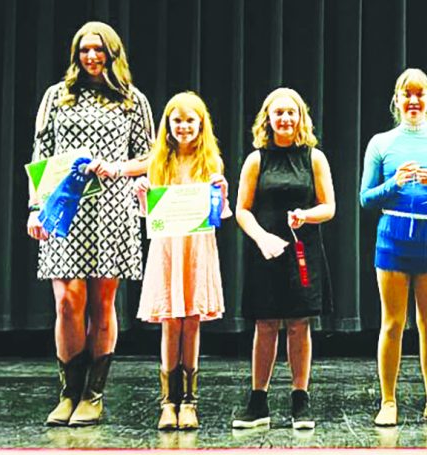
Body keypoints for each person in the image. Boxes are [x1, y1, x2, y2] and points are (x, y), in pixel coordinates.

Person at [27, 21, 154, 427]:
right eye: (84, 50)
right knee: (67, 302)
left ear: (112, 54)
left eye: (99, 50)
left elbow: (150, 156)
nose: (91, 56)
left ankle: (93, 394)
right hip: (64, 208)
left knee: (102, 303)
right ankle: (68, 391)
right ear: (76, 54)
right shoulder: (56, 96)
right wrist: (35, 207)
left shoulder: (132, 100)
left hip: (112, 208)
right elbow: (41, 151)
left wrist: (117, 168)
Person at [360, 68, 427, 426]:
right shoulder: (381, 143)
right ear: (397, 99)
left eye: (421, 94)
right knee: (392, 324)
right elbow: (365, 198)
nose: (414, 100)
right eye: (408, 94)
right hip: (391, 240)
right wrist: (393, 183)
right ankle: (388, 401)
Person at [231, 87, 335, 430]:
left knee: (299, 324)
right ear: (269, 119)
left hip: (302, 253)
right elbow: (241, 210)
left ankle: (299, 400)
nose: (285, 118)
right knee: (265, 325)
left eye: (291, 112)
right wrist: (261, 238)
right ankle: (258, 401)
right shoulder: (256, 159)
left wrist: (306, 216)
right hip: (267, 252)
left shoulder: (314, 157)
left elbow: (329, 207)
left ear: (300, 117)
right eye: (279, 113)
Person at [134, 92, 231, 431]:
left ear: (201, 124)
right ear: (168, 125)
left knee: (191, 320)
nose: (184, 126)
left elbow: (219, 215)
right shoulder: (159, 162)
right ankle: (167, 402)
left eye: (190, 120)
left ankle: (189, 401)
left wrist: (222, 191)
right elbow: (152, 217)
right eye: (177, 120)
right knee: (170, 323)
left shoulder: (211, 163)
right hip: (167, 249)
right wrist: (143, 194)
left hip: (197, 250)